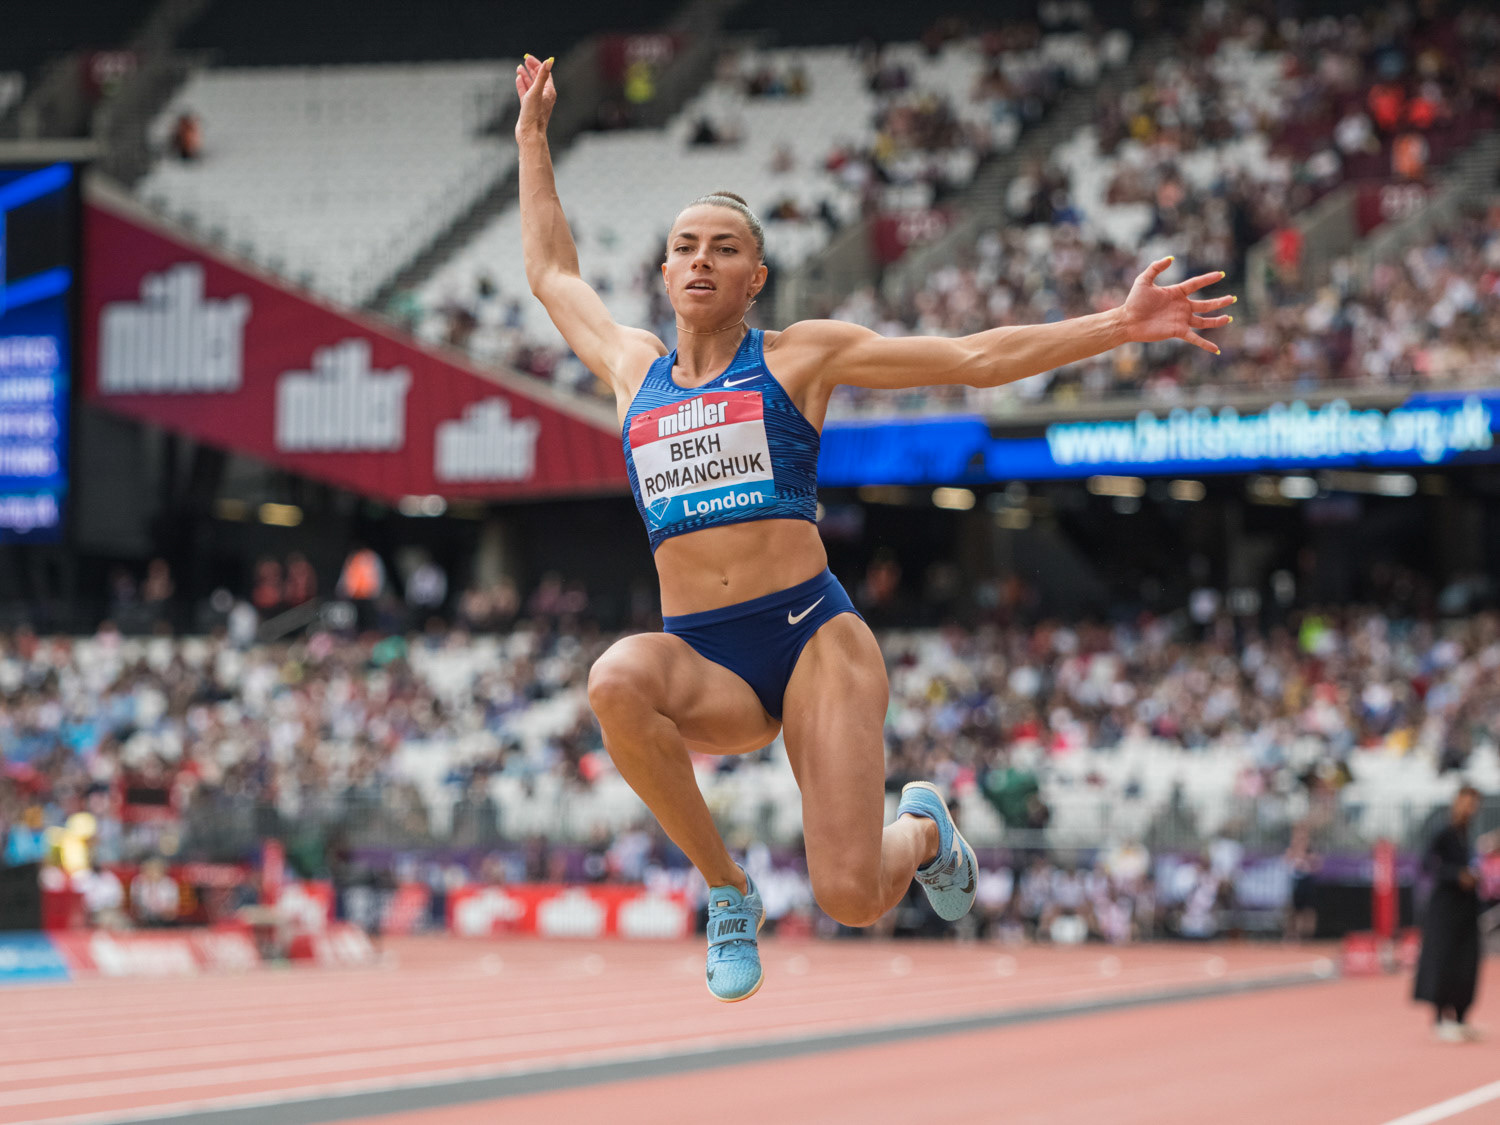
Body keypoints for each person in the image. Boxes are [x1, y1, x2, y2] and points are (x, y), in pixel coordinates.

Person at [513, 53, 1234, 1002]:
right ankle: (728, 892)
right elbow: (553, 270)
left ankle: (926, 828)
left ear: (754, 276)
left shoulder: (801, 355)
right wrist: (531, 136)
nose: (700, 259)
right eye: (685, 244)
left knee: (852, 895)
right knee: (612, 679)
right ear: (664, 267)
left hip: (812, 638)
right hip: (710, 658)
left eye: (723, 247)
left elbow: (972, 358)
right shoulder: (630, 366)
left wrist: (1116, 326)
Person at [1414, 786, 1487, 1042]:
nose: (1470, 808)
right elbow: (1427, 863)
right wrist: (1456, 875)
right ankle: (1439, 1018)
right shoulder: (1443, 832)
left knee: (1466, 962)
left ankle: (1460, 1017)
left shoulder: (1466, 835)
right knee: (1443, 960)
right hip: (1445, 909)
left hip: (1466, 909)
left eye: (1474, 804)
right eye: (1467, 803)